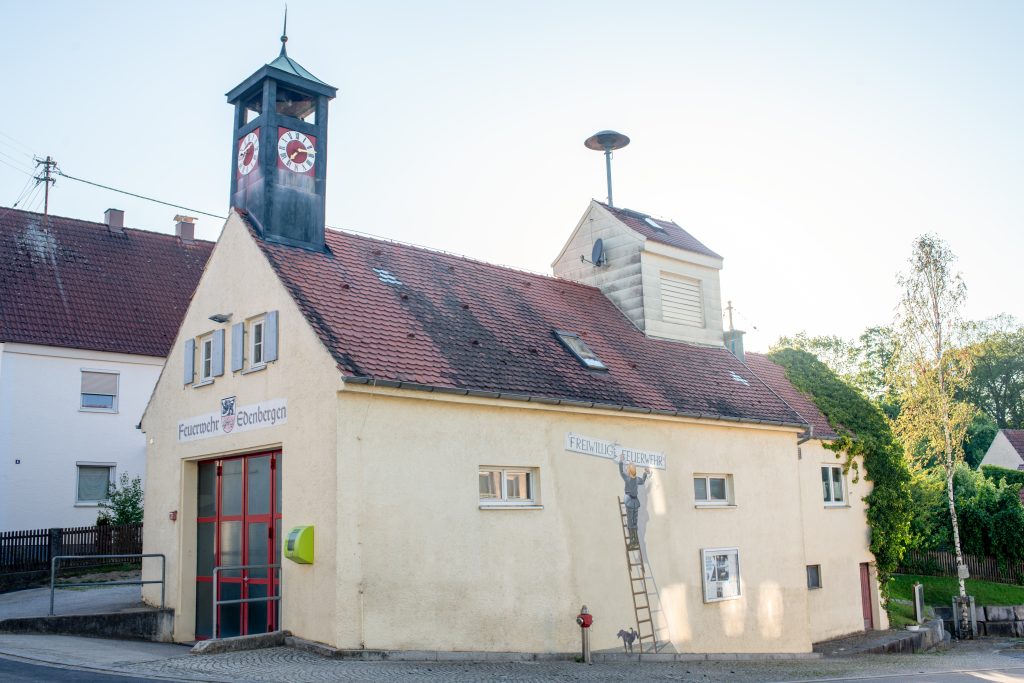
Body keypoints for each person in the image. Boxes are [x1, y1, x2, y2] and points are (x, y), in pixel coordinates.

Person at [620, 460, 649, 549]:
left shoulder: (627, 478)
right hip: (635, 502)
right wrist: (645, 473)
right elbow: (643, 481)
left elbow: (621, 472)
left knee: (630, 522)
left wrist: (621, 461)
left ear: (629, 470)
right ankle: (635, 541)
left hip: (629, 501)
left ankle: (633, 542)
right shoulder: (636, 479)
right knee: (634, 522)